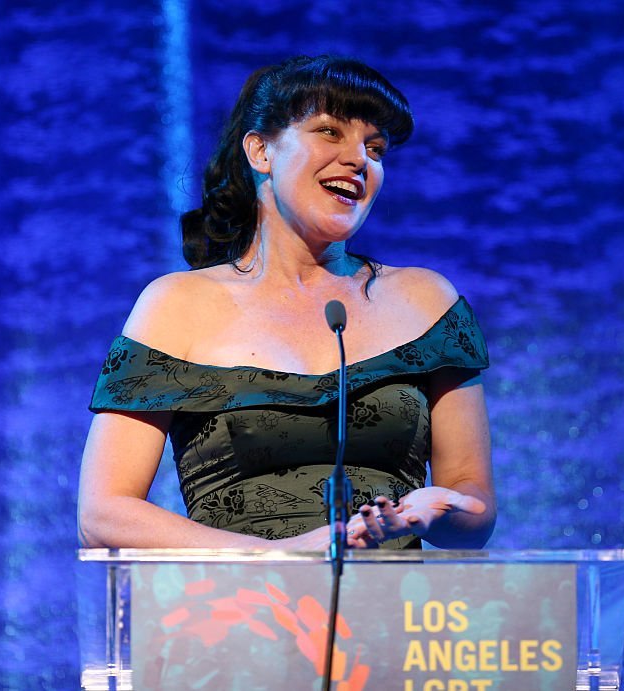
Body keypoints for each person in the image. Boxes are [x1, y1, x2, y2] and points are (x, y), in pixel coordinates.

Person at [78, 55, 495, 551]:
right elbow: (104, 513)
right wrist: (276, 556)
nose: (359, 159)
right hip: (236, 613)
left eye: (375, 147)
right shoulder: (176, 305)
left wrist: (434, 510)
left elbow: (474, 504)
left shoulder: (427, 302)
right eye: (329, 132)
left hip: (385, 613)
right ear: (260, 151)